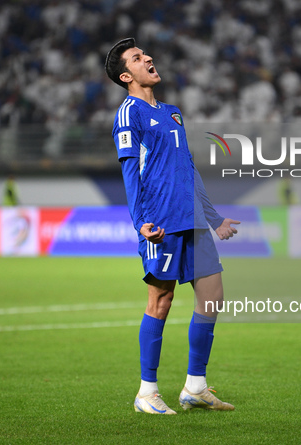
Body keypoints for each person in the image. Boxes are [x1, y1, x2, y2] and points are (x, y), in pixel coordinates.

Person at [106, 38, 240, 415]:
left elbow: (188, 168)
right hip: (161, 222)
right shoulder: (128, 113)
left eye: (145, 54)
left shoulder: (173, 112)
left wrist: (213, 218)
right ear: (125, 75)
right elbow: (130, 173)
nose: (147, 57)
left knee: (212, 296)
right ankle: (147, 392)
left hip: (193, 220)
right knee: (161, 301)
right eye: (137, 58)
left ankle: (195, 387)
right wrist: (141, 224)